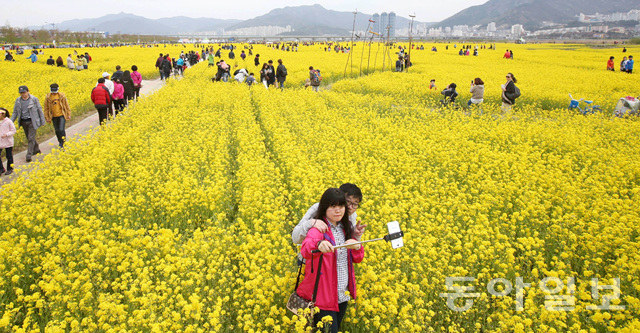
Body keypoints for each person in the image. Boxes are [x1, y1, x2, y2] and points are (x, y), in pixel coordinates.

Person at [296, 187, 365, 333]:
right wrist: (319, 244)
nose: (338, 210)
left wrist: (357, 245)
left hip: (342, 294)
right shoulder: (319, 228)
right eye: (333, 206)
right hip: (324, 295)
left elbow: (357, 259)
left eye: (340, 206)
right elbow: (306, 247)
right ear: (324, 208)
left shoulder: (345, 228)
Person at [292, 183, 366, 244]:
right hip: (311, 259)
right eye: (348, 202)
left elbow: (348, 243)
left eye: (355, 204)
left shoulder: (352, 215)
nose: (350, 207)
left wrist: (355, 234)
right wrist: (311, 223)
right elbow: (295, 238)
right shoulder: (318, 208)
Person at [11, 86, 45, 162]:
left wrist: (42, 121)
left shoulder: (34, 99)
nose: (23, 94)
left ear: (28, 91)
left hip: (32, 121)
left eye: (24, 92)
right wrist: (10, 122)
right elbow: (15, 112)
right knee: (30, 137)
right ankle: (36, 149)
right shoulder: (18, 101)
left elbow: (40, 110)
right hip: (23, 122)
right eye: (21, 93)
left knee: (30, 138)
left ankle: (29, 155)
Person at [43, 83, 71, 148]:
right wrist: (47, 117)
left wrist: (68, 114)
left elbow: (66, 105)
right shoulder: (48, 97)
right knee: (57, 130)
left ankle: (63, 142)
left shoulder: (61, 96)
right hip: (53, 116)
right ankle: (60, 141)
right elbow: (46, 108)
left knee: (61, 129)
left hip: (61, 115)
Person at [0, 107, 16, 175]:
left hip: (8, 141)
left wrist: (6, 134)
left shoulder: (8, 121)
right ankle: (1, 169)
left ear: (3, 114)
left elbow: (13, 130)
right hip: (0, 141)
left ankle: (10, 168)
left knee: (9, 155)